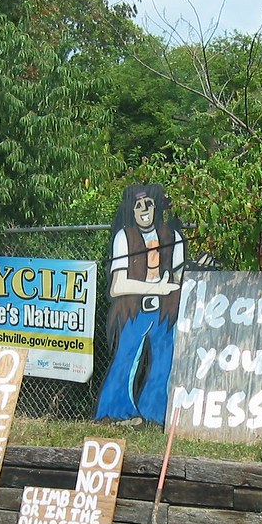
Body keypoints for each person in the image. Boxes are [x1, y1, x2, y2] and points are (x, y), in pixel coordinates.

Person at [94, 183, 185, 426]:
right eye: (138, 205)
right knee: (126, 358)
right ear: (131, 211)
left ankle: (154, 414)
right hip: (134, 310)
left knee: (164, 362)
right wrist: (156, 288)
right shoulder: (124, 237)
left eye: (148, 204)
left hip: (165, 312)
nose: (144, 209)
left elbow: (179, 279)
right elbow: (117, 286)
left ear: (157, 208)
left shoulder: (172, 237)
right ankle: (114, 412)